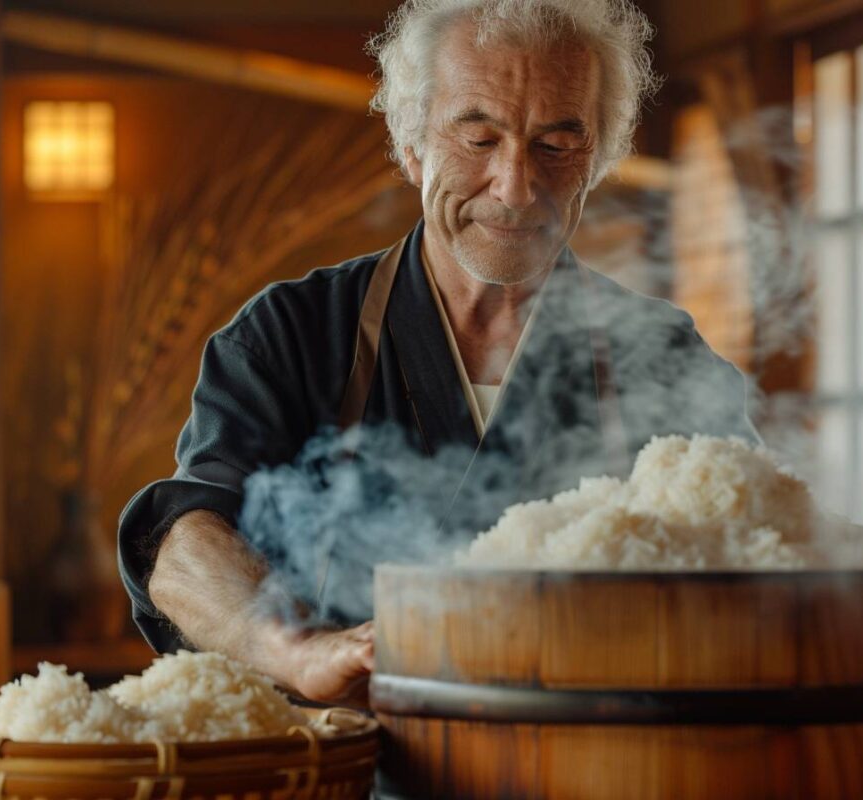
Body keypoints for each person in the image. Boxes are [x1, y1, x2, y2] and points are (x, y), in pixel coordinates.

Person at [117, 0, 758, 707]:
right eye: (479, 139)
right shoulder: (292, 333)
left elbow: (765, 550)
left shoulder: (665, 357)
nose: (516, 188)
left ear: (599, 158)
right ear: (412, 145)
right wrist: (297, 651)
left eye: (556, 144)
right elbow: (182, 548)